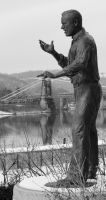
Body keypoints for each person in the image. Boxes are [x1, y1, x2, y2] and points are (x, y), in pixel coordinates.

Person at [38, 9, 102, 184]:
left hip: (88, 89)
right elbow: (71, 64)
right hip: (83, 89)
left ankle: (75, 177)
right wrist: (53, 53)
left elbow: (80, 64)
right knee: (88, 130)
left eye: (64, 23)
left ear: (75, 23)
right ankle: (89, 171)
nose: (61, 27)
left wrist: (56, 75)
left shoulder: (85, 41)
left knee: (79, 130)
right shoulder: (78, 42)